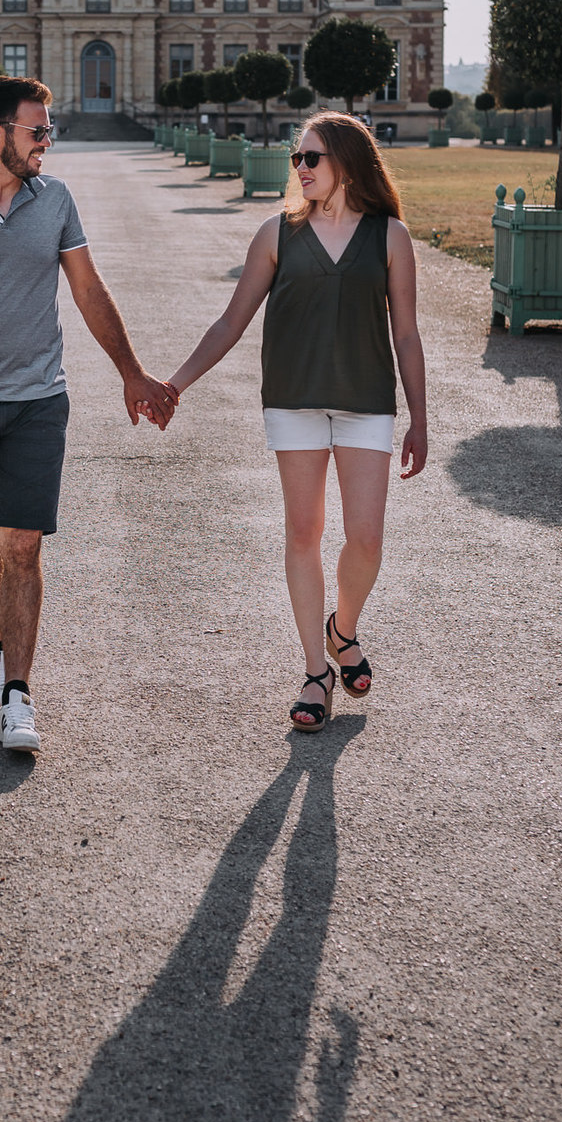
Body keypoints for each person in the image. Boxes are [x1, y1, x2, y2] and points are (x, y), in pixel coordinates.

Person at [0, 75, 175, 753]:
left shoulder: (54, 199)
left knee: (23, 543)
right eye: (38, 130)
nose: (47, 141)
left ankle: (18, 696)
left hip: (38, 401)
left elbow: (88, 289)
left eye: (48, 130)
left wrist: (131, 371)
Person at [165, 111, 427, 732]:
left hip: (366, 400)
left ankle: (343, 629)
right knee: (304, 532)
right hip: (293, 399)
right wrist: (175, 385)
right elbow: (230, 322)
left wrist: (420, 418)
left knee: (366, 538)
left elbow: (407, 334)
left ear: (347, 164)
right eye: (297, 159)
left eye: (312, 158)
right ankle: (316, 672)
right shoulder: (276, 234)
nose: (301, 168)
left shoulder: (390, 236)